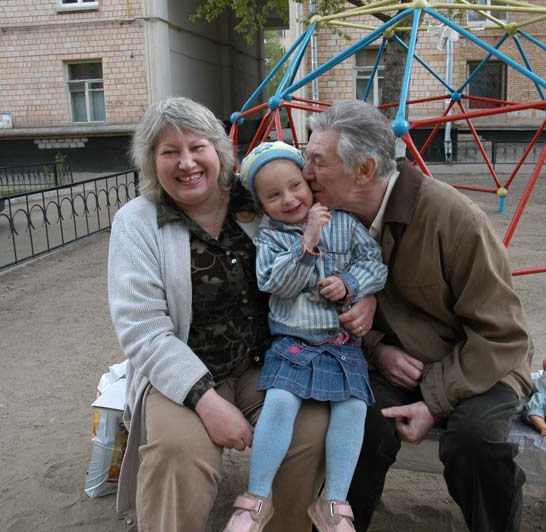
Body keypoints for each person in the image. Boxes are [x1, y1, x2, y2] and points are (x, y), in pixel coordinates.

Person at [107, 97, 374, 532]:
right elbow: (143, 330)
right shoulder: (137, 223)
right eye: (169, 151)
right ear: (151, 161)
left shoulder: (259, 199)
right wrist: (206, 400)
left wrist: (363, 294)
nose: (186, 163)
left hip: (269, 363)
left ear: (219, 150)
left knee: (309, 435)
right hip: (183, 372)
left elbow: (340, 244)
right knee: (178, 451)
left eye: (197, 147)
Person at [302, 100, 535, 532]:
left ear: (364, 170)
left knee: (475, 442)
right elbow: (314, 309)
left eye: (318, 162)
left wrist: (433, 401)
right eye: (306, 158)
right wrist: (376, 348)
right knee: (357, 426)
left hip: (481, 363)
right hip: (396, 365)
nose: (306, 173)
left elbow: (502, 335)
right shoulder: (331, 221)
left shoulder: (454, 219)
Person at [223, 141, 387, 532]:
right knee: (279, 402)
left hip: (341, 346)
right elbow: (274, 284)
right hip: (292, 344)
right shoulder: (269, 239)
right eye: (273, 196)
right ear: (261, 205)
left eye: (295, 186)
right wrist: (307, 242)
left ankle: (334, 503)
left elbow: (375, 264)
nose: (289, 199)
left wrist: (350, 284)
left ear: (308, 182)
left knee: (353, 409)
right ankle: (256, 500)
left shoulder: (344, 222)